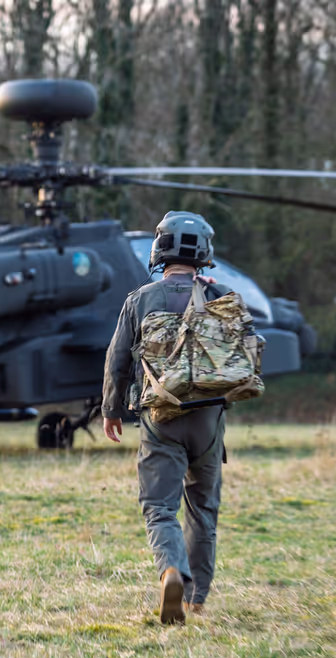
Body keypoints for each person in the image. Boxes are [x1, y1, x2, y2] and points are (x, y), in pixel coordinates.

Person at [102, 211, 232, 626]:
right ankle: (196, 599)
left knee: (159, 507)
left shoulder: (140, 299)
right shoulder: (222, 295)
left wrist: (111, 410)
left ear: (160, 250)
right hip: (209, 419)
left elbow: (117, 361)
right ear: (204, 254)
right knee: (203, 509)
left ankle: (172, 571)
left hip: (162, 417)